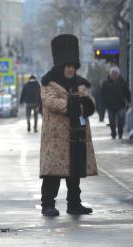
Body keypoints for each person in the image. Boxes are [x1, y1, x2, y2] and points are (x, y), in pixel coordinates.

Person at [39, 34, 97, 217]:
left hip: (76, 134)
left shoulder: (80, 84)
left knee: (75, 172)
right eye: (68, 66)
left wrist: (87, 104)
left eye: (73, 66)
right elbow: (50, 102)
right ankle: (47, 204)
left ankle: (74, 204)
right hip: (56, 137)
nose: (71, 70)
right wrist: (74, 105)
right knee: (53, 172)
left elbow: (88, 100)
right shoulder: (49, 83)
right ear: (61, 66)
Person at [101, 66, 131, 139]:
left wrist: (129, 100)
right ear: (110, 75)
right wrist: (105, 102)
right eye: (113, 74)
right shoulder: (106, 83)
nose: (114, 75)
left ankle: (120, 132)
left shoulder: (122, 82)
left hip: (121, 104)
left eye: (116, 74)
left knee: (121, 119)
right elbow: (102, 94)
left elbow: (127, 92)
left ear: (118, 74)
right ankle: (113, 133)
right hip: (110, 105)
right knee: (111, 121)